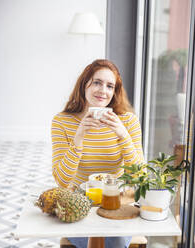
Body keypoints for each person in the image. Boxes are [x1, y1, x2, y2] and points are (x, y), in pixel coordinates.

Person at [51, 59, 144, 248]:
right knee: (100, 239)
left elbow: (140, 177)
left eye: (110, 86)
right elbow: (62, 181)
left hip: (116, 204)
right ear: (84, 84)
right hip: (78, 205)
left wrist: (123, 136)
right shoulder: (62, 122)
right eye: (97, 82)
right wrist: (78, 138)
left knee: (114, 240)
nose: (103, 90)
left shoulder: (128, 122)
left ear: (114, 92)